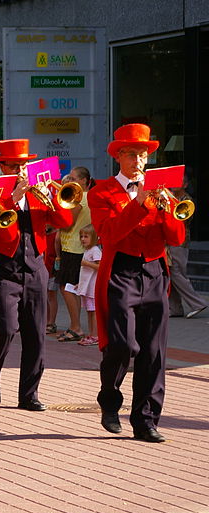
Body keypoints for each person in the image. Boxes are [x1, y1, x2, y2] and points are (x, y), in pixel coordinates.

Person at [89, 124, 185, 443]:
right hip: (120, 271)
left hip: (155, 270)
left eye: (143, 154)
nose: (139, 160)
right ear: (118, 156)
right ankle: (110, 400)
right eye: (131, 153)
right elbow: (110, 233)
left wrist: (169, 208)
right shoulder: (101, 191)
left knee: (154, 352)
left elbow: (177, 237)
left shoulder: (162, 190)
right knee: (122, 345)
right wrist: (140, 203)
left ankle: (145, 421)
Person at [0, 139, 72, 412]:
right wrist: (12, 199)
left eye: (23, 165)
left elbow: (64, 222)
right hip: (4, 270)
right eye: (13, 166)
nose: (20, 170)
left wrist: (52, 196)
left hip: (36, 269)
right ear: (3, 167)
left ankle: (29, 393)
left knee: (36, 334)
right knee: (5, 329)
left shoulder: (38, 192)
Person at [55, 167, 92, 343]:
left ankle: (76, 326)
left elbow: (67, 224)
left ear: (84, 181)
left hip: (72, 247)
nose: (70, 180)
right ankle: (75, 325)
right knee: (72, 288)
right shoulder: (87, 197)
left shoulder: (80, 199)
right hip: (78, 247)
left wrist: (55, 223)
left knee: (67, 288)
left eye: (73, 177)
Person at [167, 172, 206, 319]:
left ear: (185, 185)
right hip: (169, 241)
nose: (174, 184)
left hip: (180, 241)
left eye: (179, 182)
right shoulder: (170, 197)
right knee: (171, 274)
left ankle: (198, 303)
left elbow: (180, 221)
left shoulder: (187, 200)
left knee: (177, 273)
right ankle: (175, 308)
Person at [73, 224, 100, 346]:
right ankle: (92, 334)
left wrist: (86, 263)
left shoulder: (95, 251)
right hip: (87, 287)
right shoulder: (88, 251)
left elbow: (100, 267)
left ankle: (95, 335)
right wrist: (80, 284)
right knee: (90, 312)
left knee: (93, 312)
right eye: (81, 236)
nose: (83, 239)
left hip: (92, 288)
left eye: (86, 236)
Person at [45, 226, 60, 335]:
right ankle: (45, 321)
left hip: (52, 269)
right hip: (42, 269)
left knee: (51, 295)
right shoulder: (41, 234)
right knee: (43, 296)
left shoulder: (56, 235)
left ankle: (51, 322)